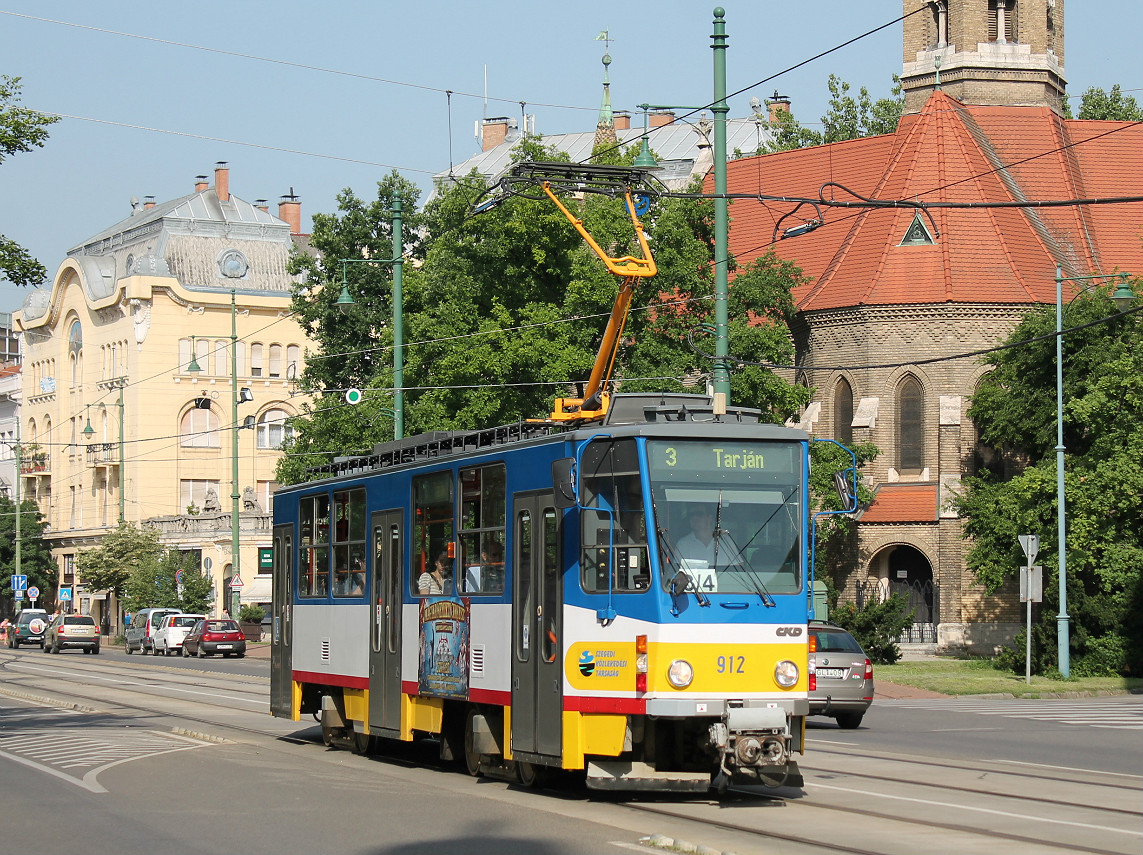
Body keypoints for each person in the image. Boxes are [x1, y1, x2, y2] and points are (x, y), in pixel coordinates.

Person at [677, 505, 742, 567]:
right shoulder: (683, 544)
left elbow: (739, 569)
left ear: (710, 518)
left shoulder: (725, 541)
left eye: (699, 514)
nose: (694, 517)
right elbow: (677, 573)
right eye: (691, 515)